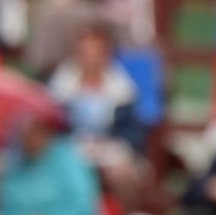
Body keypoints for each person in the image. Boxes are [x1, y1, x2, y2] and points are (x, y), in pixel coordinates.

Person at [49, 22, 146, 204]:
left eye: (96, 52)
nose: (91, 58)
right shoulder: (60, 87)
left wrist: (114, 150)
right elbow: (53, 130)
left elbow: (132, 134)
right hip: (71, 150)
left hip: (111, 150)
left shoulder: (123, 88)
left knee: (124, 176)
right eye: (85, 53)